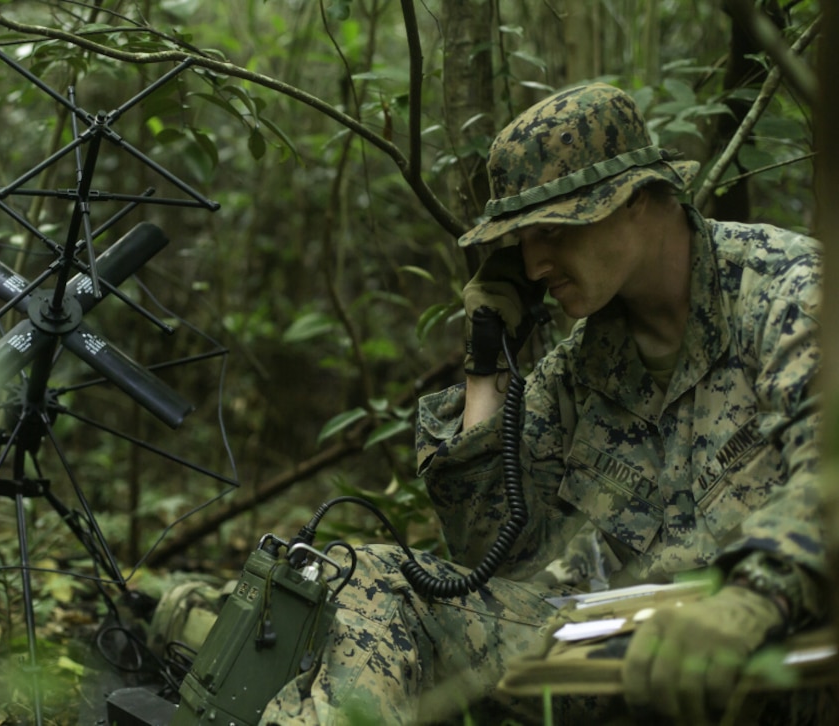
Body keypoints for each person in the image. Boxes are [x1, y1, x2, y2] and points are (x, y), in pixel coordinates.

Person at [252, 82, 827, 725]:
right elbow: (492, 560)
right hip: (617, 658)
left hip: (774, 662)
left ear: (639, 199)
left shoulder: (788, 292)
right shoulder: (587, 362)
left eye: (553, 228)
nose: (533, 264)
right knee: (372, 578)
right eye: (520, 240)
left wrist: (753, 598)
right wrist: (487, 359)